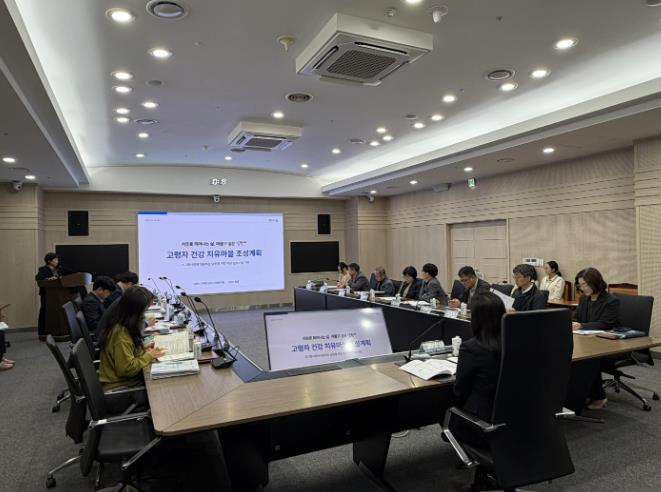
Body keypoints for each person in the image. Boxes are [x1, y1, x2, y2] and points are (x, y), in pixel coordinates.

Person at [451, 292, 506, 448]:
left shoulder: (471, 348)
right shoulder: (516, 342)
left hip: (482, 426)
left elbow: (459, 391)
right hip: (515, 422)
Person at [96, 286, 165, 390]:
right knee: (161, 388)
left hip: (125, 382)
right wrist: (149, 355)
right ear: (135, 313)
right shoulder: (120, 334)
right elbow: (126, 369)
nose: (144, 316)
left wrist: (143, 349)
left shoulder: (121, 325)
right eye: (143, 312)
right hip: (120, 387)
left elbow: (127, 354)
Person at [572, 267, 620, 410]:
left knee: (587, 359)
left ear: (596, 282)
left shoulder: (611, 301)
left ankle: (599, 396)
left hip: (608, 343)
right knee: (571, 355)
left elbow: (606, 324)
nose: (583, 288)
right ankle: (579, 393)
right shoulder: (584, 299)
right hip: (587, 341)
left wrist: (582, 325)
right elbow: (576, 317)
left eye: (585, 284)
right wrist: (573, 322)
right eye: (580, 285)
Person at [35, 252, 61, 341]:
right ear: (49, 261)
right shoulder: (43, 269)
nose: (57, 261)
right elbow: (38, 277)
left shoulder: (58, 269)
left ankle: (54, 332)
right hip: (46, 294)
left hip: (57, 295)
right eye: (55, 259)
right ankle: (42, 333)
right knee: (44, 311)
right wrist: (48, 279)